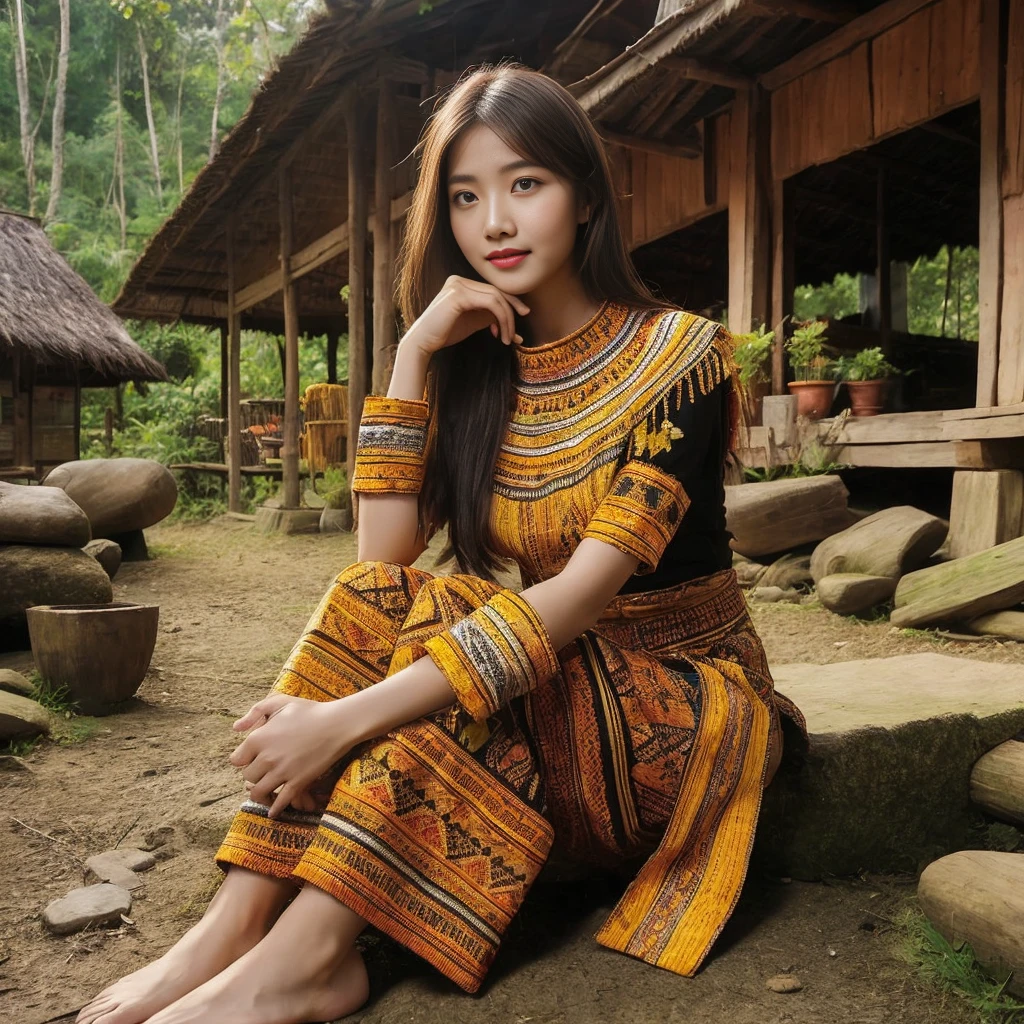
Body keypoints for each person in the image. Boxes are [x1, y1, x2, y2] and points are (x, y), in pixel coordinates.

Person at [78, 64, 804, 1024]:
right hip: (554, 681)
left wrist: (343, 721)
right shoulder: (478, 369)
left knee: (462, 619)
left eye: (524, 184)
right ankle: (232, 928)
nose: (494, 221)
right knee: (397, 605)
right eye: (466, 197)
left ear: (585, 195)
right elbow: (379, 570)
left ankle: (292, 967)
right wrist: (414, 354)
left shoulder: (684, 359)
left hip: (685, 709)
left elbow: (579, 598)